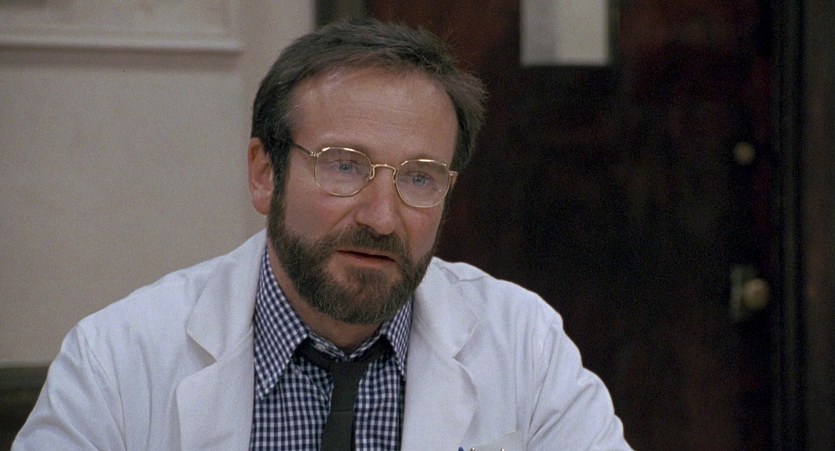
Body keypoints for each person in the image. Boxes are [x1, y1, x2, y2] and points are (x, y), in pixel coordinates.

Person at [13, 19, 630, 450]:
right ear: (265, 173)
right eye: (344, 166)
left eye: (419, 177)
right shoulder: (117, 360)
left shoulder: (523, 346)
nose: (381, 218)